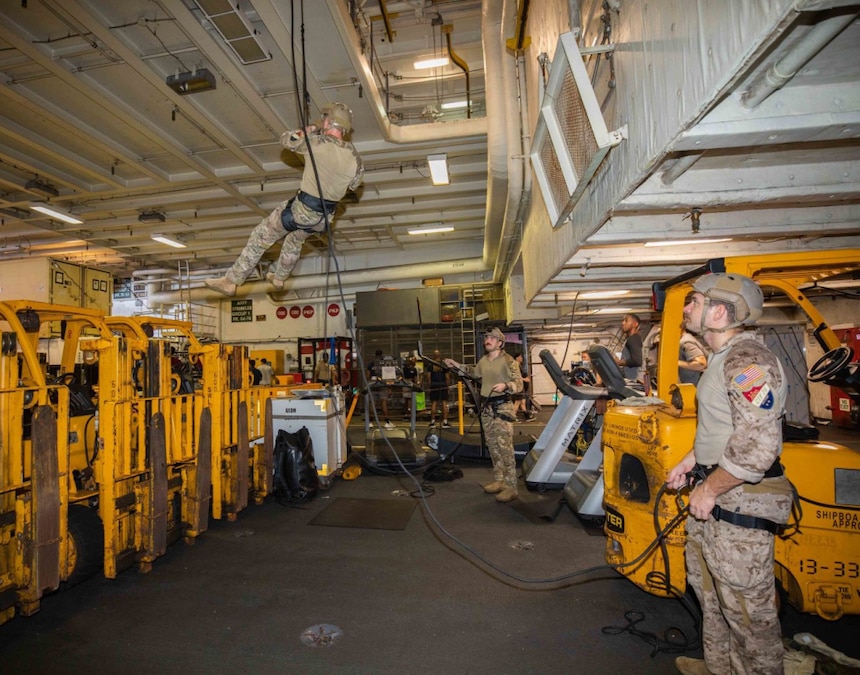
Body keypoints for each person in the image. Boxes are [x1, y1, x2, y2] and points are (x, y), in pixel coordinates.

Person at [666, 273, 793, 675]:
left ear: (719, 311)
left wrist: (709, 488)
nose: (687, 308)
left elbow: (758, 444)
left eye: (694, 301)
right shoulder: (721, 359)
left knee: (748, 615)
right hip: (717, 495)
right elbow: (726, 427)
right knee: (713, 596)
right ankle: (719, 667)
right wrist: (691, 460)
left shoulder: (748, 361)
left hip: (738, 501)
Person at [205, 102, 364, 296]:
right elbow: (355, 184)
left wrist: (313, 127)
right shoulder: (355, 157)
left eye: (325, 119)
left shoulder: (316, 144)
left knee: (261, 237)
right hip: (323, 220)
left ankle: (231, 281)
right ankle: (279, 278)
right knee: (294, 242)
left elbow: (287, 140)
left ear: (329, 122)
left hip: (301, 211)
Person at [445, 328, 523, 503]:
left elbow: (519, 384)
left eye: (491, 338)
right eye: (486, 337)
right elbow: (473, 373)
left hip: (502, 407)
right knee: (492, 446)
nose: (487, 340)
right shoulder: (484, 360)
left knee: (505, 447)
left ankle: (511, 487)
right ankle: (499, 480)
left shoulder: (508, 361)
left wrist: (506, 385)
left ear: (500, 342)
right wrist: (456, 365)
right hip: (487, 407)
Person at [367, 349, 393, 429]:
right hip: (382, 384)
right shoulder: (384, 364)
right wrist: (389, 388)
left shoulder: (371, 364)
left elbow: (368, 376)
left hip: (373, 384)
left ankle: (370, 422)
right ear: (382, 355)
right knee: (383, 403)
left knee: (372, 404)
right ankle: (387, 422)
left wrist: (369, 384)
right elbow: (388, 376)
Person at [614, 313, 645, 383]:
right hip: (633, 380)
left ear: (635, 324)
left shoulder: (634, 339)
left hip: (637, 381)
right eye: (623, 321)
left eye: (626, 321)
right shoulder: (631, 339)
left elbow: (637, 361)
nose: (623, 323)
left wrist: (619, 362)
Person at [424, 350, 451, 428]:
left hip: (434, 384)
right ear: (440, 355)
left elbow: (428, 377)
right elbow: (447, 377)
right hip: (442, 384)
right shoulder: (443, 364)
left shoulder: (431, 364)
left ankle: (432, 422)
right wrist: (447, 386)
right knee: (444, 403)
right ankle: (445, 422)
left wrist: (430, 386)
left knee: (434, 403)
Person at [512, 353, 531, 419]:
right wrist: (524, 379)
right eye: (520, 357)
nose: (521, 358)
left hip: (521, 386)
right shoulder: (515, 365)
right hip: (518, 387)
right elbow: (516, 377)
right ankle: (512, 417)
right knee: (517, 402)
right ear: (517, 358)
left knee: (523, 402)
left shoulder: (519, 366)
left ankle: (527, 416)